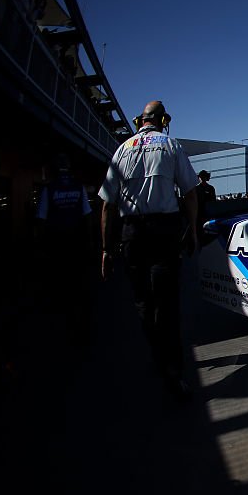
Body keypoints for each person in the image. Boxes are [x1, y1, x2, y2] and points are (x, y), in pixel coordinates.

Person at [99, 101, 199, 399]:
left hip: (132, 234)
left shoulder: (122, 149)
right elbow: (191, 193)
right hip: (163, 233)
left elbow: (107, 204)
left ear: (140, 121)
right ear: (163, 120)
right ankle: (174, 373)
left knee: (143, 302)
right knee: (167, 304)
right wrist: (192, 229)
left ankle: (157, 356)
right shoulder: (170, 146)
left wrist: (106, 249)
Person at [36, 153, 93, 349]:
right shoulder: (79, 187)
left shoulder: (49, 189)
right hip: (77, 245)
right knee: (80, 286)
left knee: (61, 287)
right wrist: (90, 241)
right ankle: (82, 326)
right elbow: (87, 216)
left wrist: (40, 246)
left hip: (57, 246)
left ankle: (65, 324)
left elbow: (41, 220)